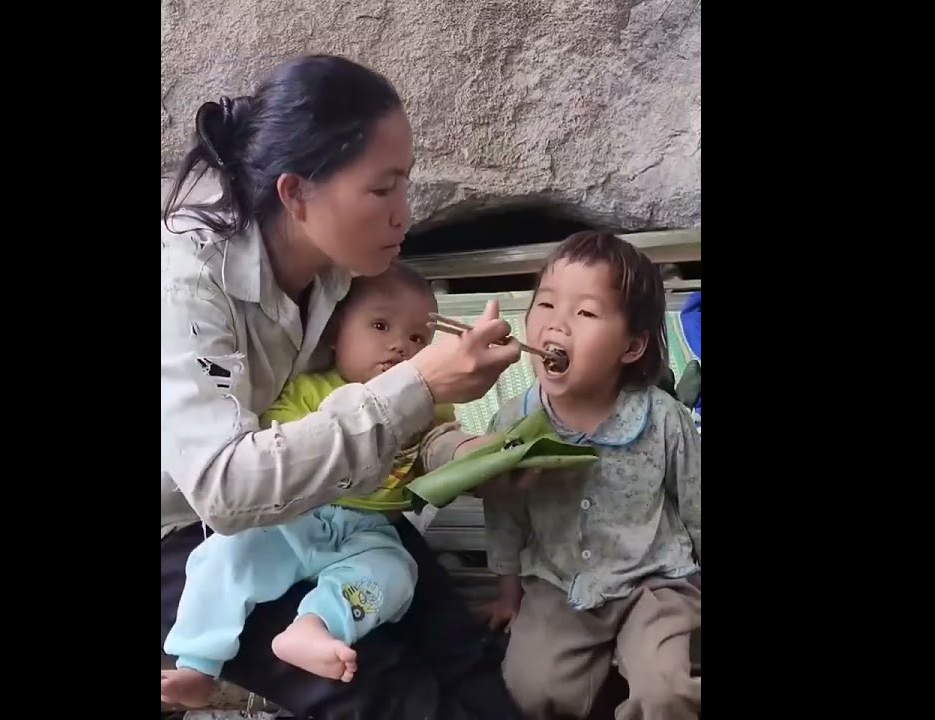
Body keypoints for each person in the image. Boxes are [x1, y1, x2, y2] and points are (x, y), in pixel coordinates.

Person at [160, 54, 523, 720]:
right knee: (381, 690)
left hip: (329, 504)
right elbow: (223, 489)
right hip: (192, 530)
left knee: (457, 647)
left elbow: (405, 412)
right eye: (383, 190)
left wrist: (467, 445)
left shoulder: (336, 267)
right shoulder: (185, 281)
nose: (404, 215)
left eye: (405, 185)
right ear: (296, 193)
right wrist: (419, 382)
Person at [161, 263, 459, 706]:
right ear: (336, 334)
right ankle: (197, 664)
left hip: (370, 532)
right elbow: (278, 450)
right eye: (380, 326)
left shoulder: (429, 406)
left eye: (418, 339)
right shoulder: (308, 390)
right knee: (224, 556)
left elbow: (441, 446)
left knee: (397, 574)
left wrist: (470, 451)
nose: (400, 346)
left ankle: (315, 627)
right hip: (292, 521)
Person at [471, 231, 702, 720]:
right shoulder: (513, 424)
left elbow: (695, 503)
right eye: (546, 303)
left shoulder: (663, 419)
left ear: (632, 347)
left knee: (665, 692)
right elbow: (505, 512)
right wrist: (509, 592)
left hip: (654, 583)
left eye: (586, 312)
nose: (557, 323)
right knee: (529, 690)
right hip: (558, 583)